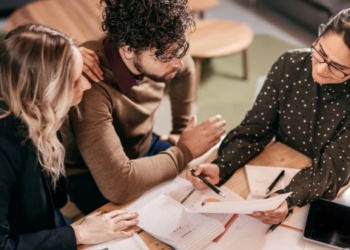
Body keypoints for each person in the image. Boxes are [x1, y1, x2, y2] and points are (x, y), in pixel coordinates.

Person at [187, 8, 350, 225]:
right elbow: (255, 128)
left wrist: (288, 197)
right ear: (319, 36)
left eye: (338, 67)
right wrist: (221, 166)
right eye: (320, 52)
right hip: (280, 164)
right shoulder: (289, 64)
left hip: (324, 186)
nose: (320, 69)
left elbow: (330, 170)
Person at [66, 0, 226, 214]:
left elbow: (185, 69)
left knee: (202, 186)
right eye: (168, 57)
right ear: (129, 49)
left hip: (141, 146)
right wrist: (184, 151)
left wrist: (179, 130)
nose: (178, 62)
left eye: (181, 50)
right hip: (93, 175)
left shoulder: (166, 45)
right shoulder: (90, 84)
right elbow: (118, 186)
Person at [0, 23, 139, 249]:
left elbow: (18, 42)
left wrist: (69, 56)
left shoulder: (31, 104)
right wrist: (77, 234)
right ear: (42, 93)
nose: (85, 85)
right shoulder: (5, 148)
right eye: (74, 81)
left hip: (48, 224)